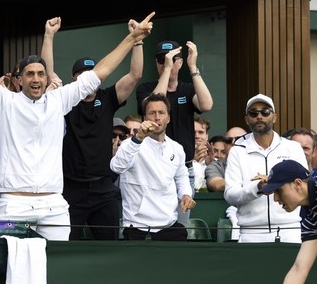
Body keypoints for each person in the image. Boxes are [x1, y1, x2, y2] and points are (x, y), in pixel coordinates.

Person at [0, 2, 154, 241]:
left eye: (40, 74)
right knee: (11, 262)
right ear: (20, 79)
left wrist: (132, 38)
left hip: (53, 205)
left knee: (57, 262)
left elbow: (101, 72)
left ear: (47, 78)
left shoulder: (59, 100)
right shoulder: (3, 100)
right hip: (13, 204)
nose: (35, 79)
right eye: (29, 74)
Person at [41, 16, 144, 241]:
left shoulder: (108, 98)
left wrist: (137, 40)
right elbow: (48, 74)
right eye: (82, 75)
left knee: (109, 247)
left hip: (103, 186)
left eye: (92, 74)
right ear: (74, 79)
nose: (88, 79)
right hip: (71, 188)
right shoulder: (66, 100)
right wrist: (49, 35)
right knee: (69, 247)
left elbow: (135, 75)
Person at [111, 91, 195, 240]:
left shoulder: (177, 148)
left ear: (168, 118)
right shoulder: (130, 144)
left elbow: (182, 177)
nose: (157, 117)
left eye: (161, 113)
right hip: (137, 227)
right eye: (152, 113)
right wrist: (138, 138)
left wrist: (185, 194)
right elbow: (116, 167)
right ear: (145, 118)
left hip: (169, 225)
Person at [223, 94, 307, 243]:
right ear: (247, 119)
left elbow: (303, 186)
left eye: (265, 112)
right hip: (250, 232)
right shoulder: (237, 151)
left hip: (289, 229)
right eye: (253, 113)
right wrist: (258, 188)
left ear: (274, 117)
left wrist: (276, 184)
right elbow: (230, 195)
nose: (259, 116)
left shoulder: (292, 148)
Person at [135, 40, 214, 191]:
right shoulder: (145, 88)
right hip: (154, 166)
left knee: (184, 206)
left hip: (184, 167)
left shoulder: (187, 89)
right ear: (156, 64)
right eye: (162, 60)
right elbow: (155, 102)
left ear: (180, 62)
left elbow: (206, 105)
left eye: (171, 59)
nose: (167, 63)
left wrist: (193, 66)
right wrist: (167, 69)